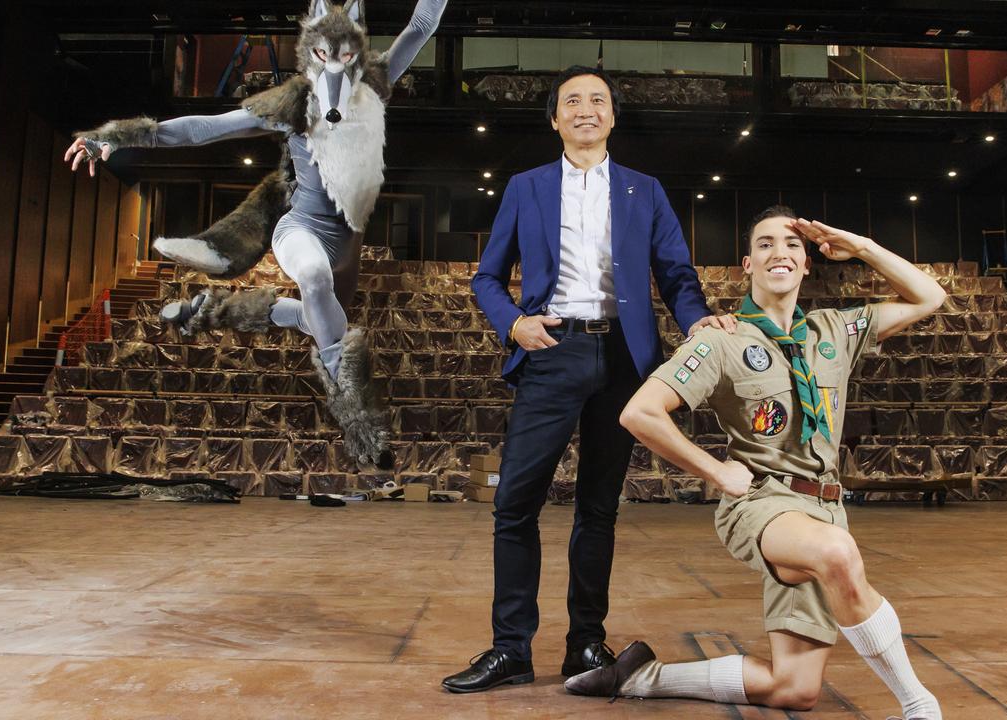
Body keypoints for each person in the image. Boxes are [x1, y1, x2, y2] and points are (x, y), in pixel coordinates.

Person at [566, 206, 946, 720]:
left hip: (825, 507)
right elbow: (640, 413)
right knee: (837, 554)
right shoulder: (721, 339)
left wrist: (860, 246)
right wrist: (717, 472)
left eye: (792, 245)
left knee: (793, 689)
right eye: (765, 244)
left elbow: (931, 296)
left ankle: (642, 677)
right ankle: (918, 704)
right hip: (765, 503)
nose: (779, 253)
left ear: (808, 263)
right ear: (747, 264)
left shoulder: (837, 329)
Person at [62, 0, 448, 467]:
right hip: (300, 229)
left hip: (347, 243)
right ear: (310, 57)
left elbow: (422, 24)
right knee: (314, 281)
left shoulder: (376, 83)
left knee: (317, 318)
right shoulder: (292, 102)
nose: (335, 72)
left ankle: (212, 309)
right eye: (323, 58)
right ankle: (357, 419)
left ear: (357, 56)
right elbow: (203, 129)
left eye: (345, 59)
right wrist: (116, 137)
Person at [441, 65, 728, 694]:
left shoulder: (644, 190)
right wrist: (514, 324)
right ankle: (510, 649)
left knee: (599, 508)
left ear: (613, 117)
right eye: (572, 101)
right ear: (555, 119)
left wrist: (698, 319)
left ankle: (585, 645)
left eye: (598, 100)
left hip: (625, 359)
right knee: (516, 503)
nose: (585, 109)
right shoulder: (526, 186)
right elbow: (486, 277)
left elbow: (676, 274)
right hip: (552, 349)